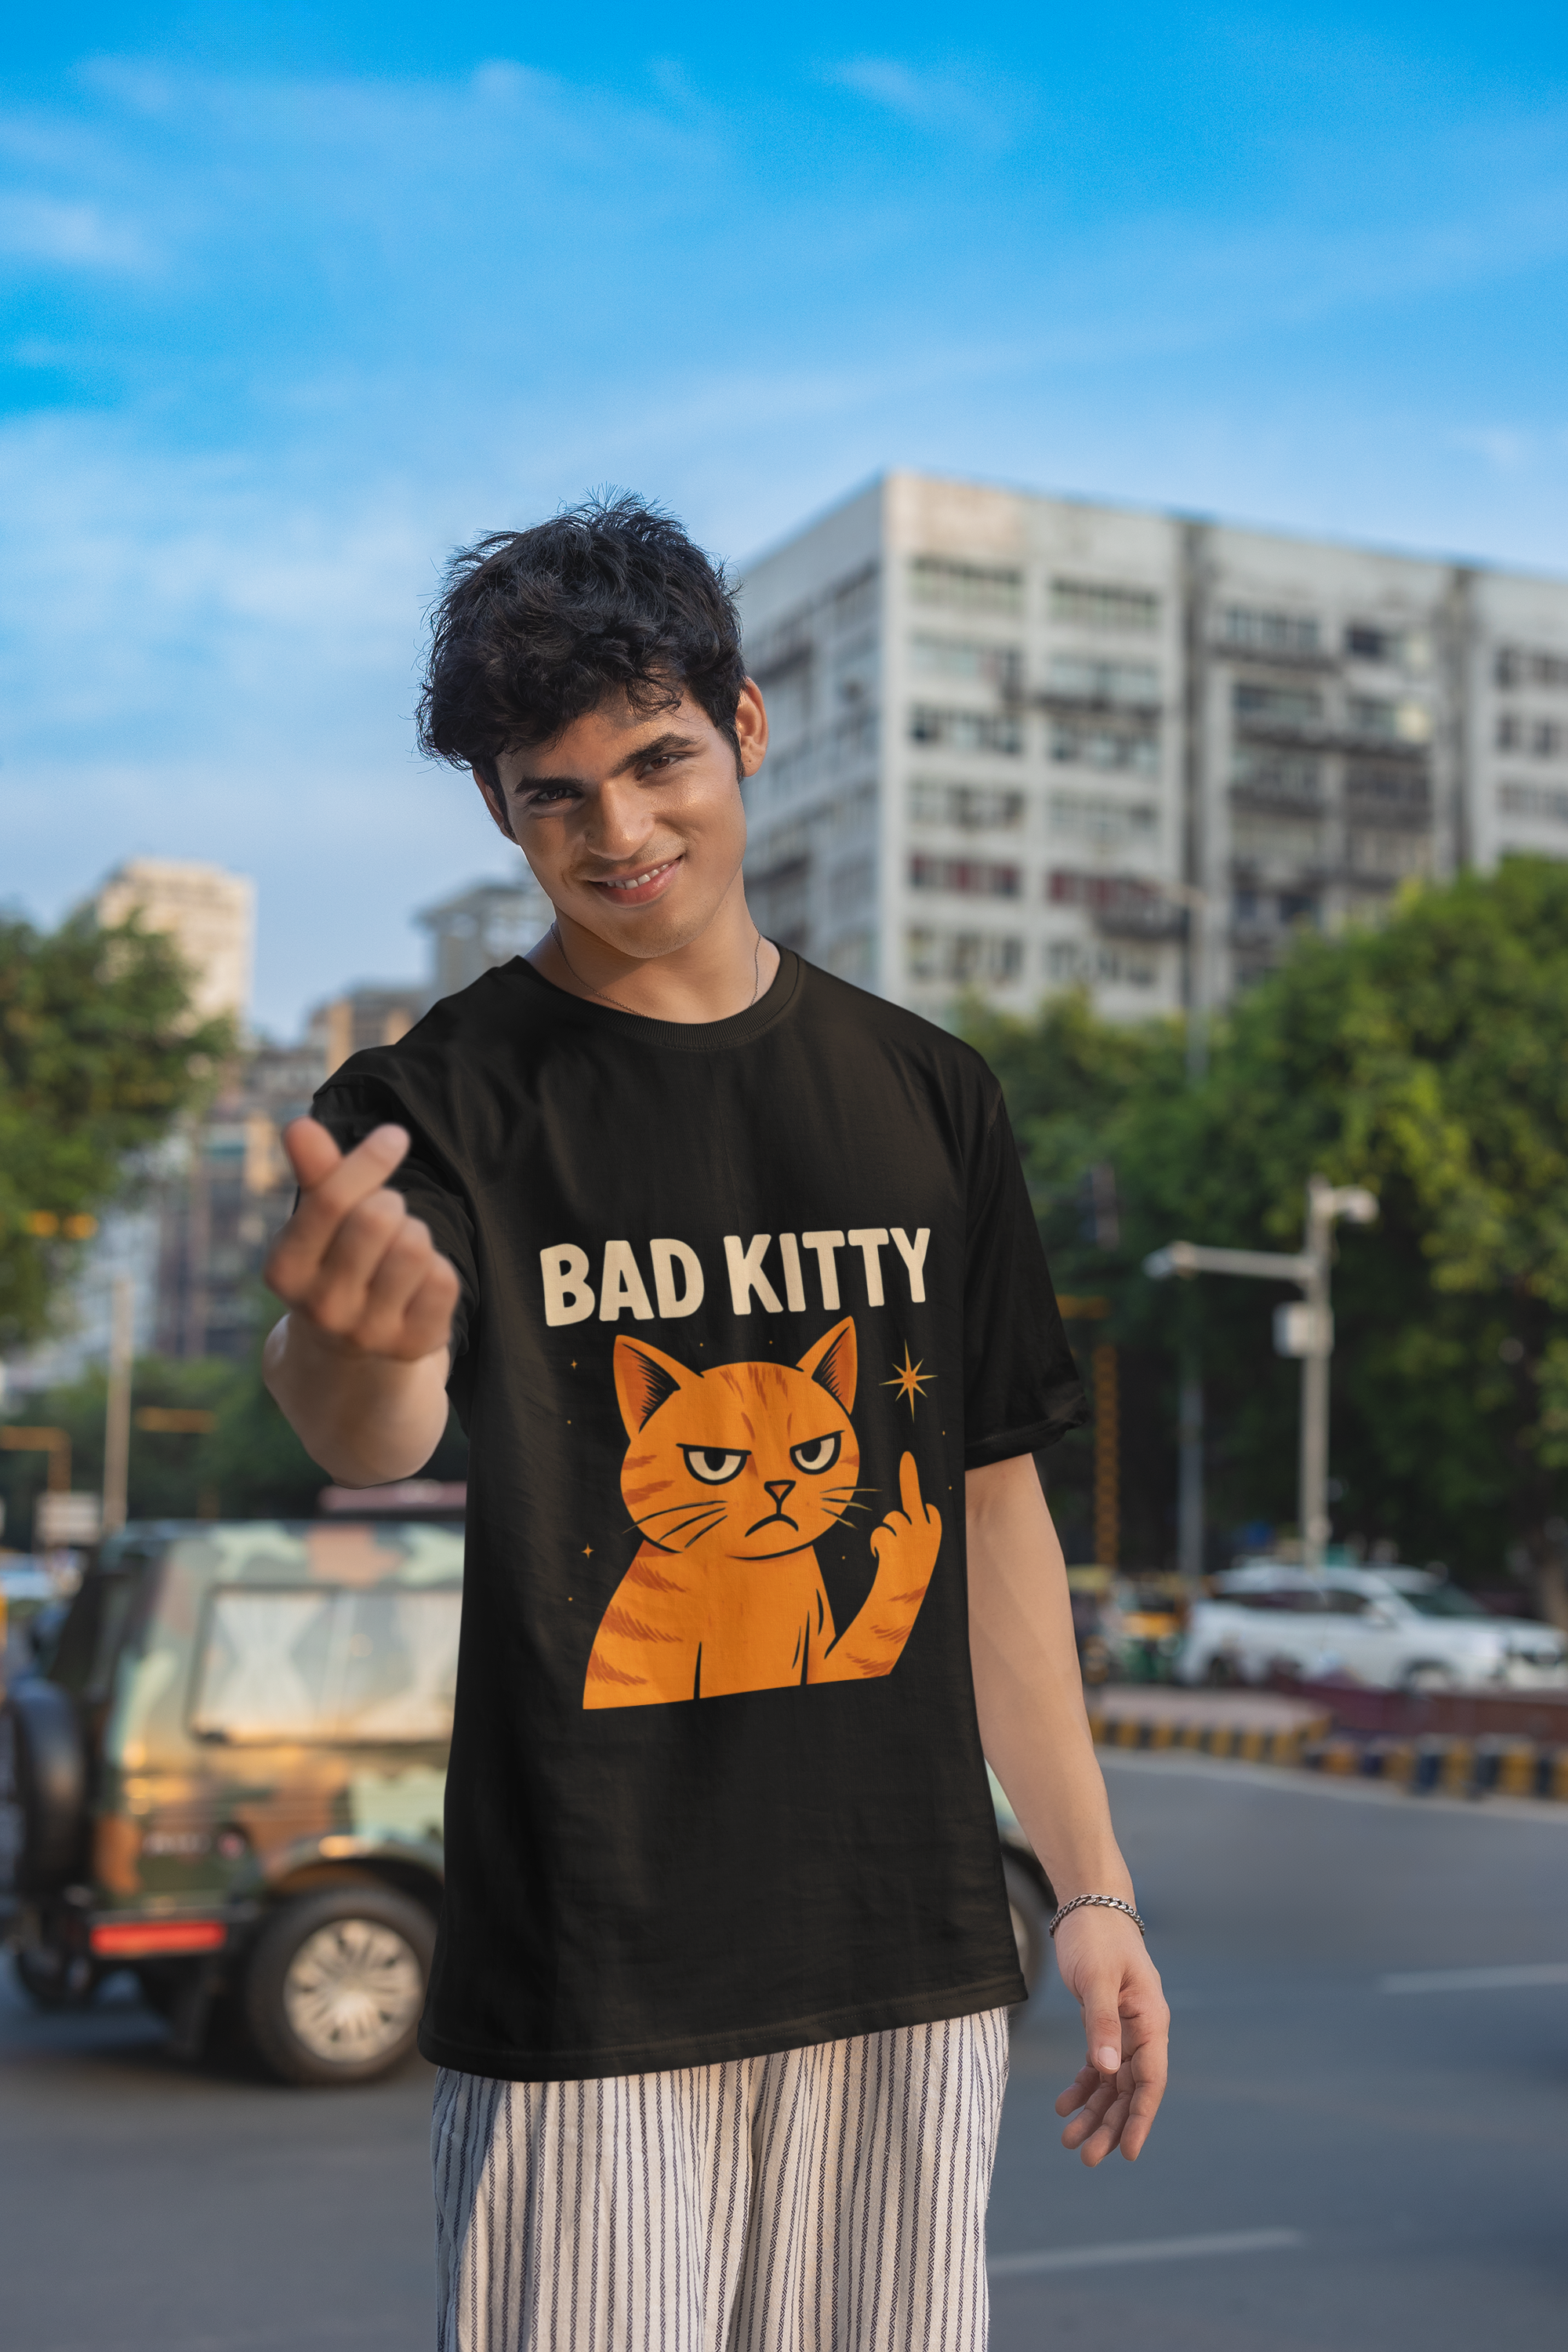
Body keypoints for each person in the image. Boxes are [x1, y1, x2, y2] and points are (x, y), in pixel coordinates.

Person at [263, 495, 1168, 2351]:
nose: (622, 832)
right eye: (556, 795)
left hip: (911, 1963)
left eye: (659, 761)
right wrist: (362, 1339)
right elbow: (362, 1424)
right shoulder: (435, 1100)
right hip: (592, 1978)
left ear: (746, 728)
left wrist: (1090, 1887)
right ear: (500, 814)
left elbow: (989, 1513)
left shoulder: (930, 1094)